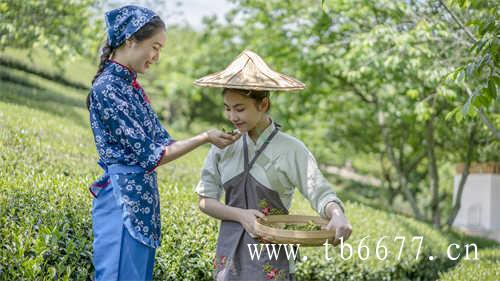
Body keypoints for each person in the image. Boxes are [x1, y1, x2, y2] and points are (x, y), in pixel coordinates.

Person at [86, 5, 240, 281]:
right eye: (154, 47)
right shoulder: (108, 88)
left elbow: (164, 142)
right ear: (130, 40)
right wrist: (204, 137)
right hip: (122, 200)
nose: (156, 57)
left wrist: (213, 138)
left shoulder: (131, 87)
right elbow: (151, 155)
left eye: (161, 49)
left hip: (140, 201)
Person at [194, 50, 352, 281]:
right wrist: (240, 215)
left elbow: (319, 191)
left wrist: (337, 214)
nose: (232, 117)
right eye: (227, 108)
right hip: (229, 257)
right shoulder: (222, 146)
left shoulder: (291, 149)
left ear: (263, 104)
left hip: (272, 256)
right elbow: (205, 201)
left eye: (240, 109)